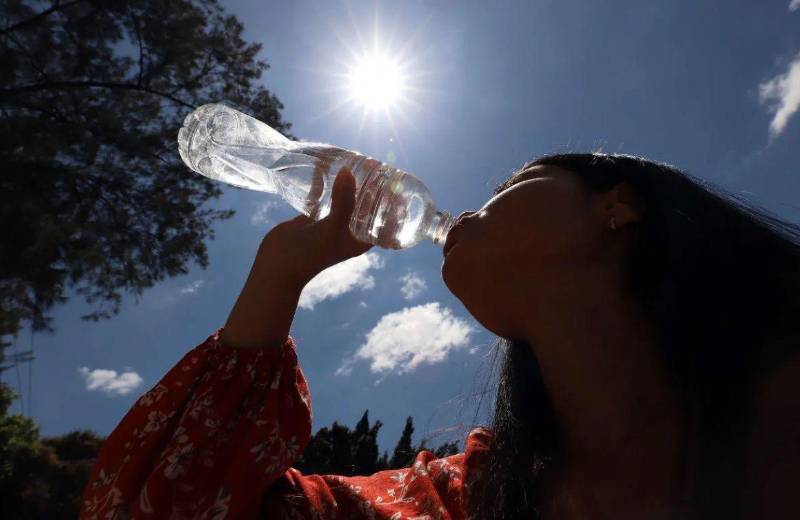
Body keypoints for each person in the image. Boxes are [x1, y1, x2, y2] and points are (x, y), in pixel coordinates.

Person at [80, 152, 800, 520]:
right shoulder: (462, 501)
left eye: (513, 181)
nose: (471, 207)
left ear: (618, 207)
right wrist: (278, 274)